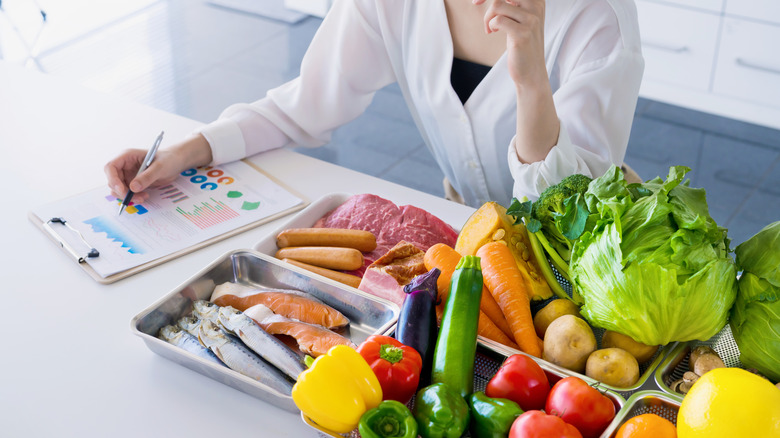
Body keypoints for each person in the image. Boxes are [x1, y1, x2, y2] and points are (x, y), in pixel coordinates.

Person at [105, 0, 644, 208]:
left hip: (583, 256)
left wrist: (531, 85)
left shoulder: (597, 18)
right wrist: (187, 149)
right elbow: (305, 104)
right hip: (471, 231)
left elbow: (571, 208)